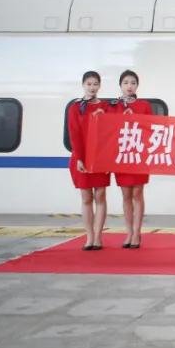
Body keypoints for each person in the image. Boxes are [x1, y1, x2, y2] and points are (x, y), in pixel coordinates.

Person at [68, 71, 110, 250]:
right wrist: (79, 158)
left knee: (100, 196)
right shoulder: (75, 107)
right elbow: (74, 133)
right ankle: (89, 237)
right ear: (83, 85)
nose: (92, 87)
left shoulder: (106, 107)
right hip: (81, 158)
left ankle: (98, 237)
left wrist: (108, 159)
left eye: (95, 84)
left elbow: (110, 134)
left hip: (100, 157)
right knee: (86, 198)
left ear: (99, 86)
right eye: (89, 84)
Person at [110, 70, 151, 249]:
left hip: (139, 155)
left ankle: (136, 232)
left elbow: (152, 128)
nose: (129, 86)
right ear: (120, 85)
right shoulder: (113, 106)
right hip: (122, 156)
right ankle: (128, 232)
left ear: (137, 86)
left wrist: (134, 119)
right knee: (126, 194)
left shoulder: (144, 106)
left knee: (137, 193)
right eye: (126, 82)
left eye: (133, 83)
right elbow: (109, 130)